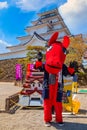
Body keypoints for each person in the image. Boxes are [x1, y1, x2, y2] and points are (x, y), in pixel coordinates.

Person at [43, 32, 70, 127]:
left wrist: (72, 69)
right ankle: (47, 119)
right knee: (47, 103)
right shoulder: (46, 64)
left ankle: (59, 119)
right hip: (48, 86)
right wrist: (37, 62)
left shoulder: (62, 66)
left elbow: (68, 73)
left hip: (58, 87)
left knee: (58, 103)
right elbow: (38, 67)